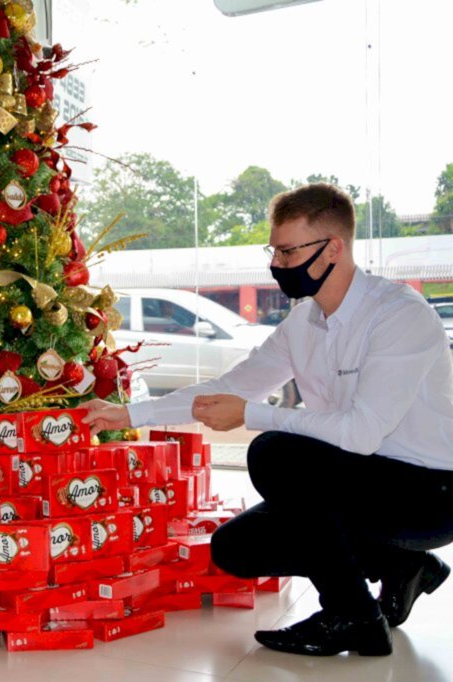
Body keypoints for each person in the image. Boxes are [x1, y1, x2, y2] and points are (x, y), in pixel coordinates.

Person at [82, 184, 453, 657]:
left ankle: (354, 617)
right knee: (235, 548)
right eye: (273, 251)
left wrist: (254, 416)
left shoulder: (399, 315)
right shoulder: (304, 325)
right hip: (359, 486)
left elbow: (360, 434)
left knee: (274, 452)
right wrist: (127, 413)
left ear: (333, 249)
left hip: (429, 493)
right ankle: (401, 564)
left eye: (288, 251)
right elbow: (230, 390)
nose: (277, 264)